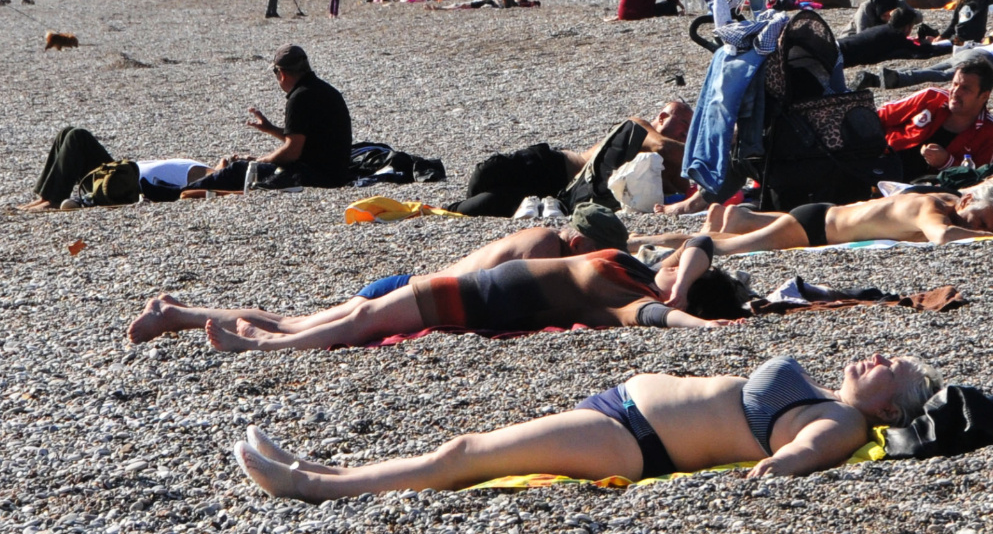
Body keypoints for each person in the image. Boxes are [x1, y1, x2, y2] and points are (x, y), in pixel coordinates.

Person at [235, 353, 942, 501]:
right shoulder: (829, 393)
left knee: (466, 453)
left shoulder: (843, 422)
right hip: (619, 410)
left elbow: (811, 450)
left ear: (887, 411)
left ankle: (311, 485)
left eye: (895, 368)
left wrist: (782, 469)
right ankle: (325, 473)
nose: (880, 355)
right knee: (469, 450)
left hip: (632, 443)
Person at [127, 203, 635, 343]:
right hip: (414, 297)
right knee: (290, 327)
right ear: (585, 244)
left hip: (409, 287)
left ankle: (179, 312)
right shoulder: (549, 247)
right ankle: (177, 315)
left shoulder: (542, 238)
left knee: (290, 320)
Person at [201, 235, 750, 353]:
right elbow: (699, 243)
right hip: (477, 288)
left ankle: (263, 345)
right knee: (363, 312)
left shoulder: (626, 301)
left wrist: (702, 325)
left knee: (361, 320)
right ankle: (270, 332)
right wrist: (681, 279)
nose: (676, 274)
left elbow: (658, 320)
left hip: (483, 302)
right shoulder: (640, 271)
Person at [447, 102, 692, 217]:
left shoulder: (671, 162)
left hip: (561, 193)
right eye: (682, 125)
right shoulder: (640, 128)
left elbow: (676, 194)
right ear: (661, 117)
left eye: (690, 131)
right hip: (553, 166)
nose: (685, 133)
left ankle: (445, 212)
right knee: (483, 177)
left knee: (485, 206)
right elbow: (664, 146)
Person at [639, 182, 993, 255]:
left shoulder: (947, 197)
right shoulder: (932, 210)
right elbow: (942, 237)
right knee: (721, 248)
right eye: (981, 221)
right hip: (814, 229)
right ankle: (641, 244)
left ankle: (740, 216)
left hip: (821, 216)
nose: (976, 229)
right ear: (967, 200)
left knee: (734, 232)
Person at [185, 45, 353, 191]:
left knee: (238, 169)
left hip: (317, 176)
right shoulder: (323, 90)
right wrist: (271, 129)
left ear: (282, 74)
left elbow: (292, 152)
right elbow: (306, 141)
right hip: (334, 172)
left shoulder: (299, 98)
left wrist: (261, 161)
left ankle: (176, 192)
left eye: (275, 72)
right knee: (244, 167)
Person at [18, 127, 216, 211]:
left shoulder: (208, 175)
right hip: (121, 174)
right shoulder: (197, 165)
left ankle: (52, 200)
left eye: (237, 160)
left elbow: (216, 183)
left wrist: (235, 166)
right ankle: (45, 197)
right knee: (66, 133)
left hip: (119, 185)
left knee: (78, 136)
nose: (233, 157)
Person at [877, 60, 993, 181]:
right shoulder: (932, 97)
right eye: (954, 84)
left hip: (926, 191)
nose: (955, 92)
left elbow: (980, 178)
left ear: (984, 96)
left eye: (965, 88)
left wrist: (946, 162)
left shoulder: (991, 131)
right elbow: (880, 116)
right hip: (881, 163)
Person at [880, 14, 993, 90]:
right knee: (944, 75)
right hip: (983, 57)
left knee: (937, 69)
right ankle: (899, 79)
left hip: (971, 48)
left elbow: (952, 25)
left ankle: (892, 75)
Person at [837, 7, 945, 70]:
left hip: (838, 44)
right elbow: (922, 51)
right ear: (907, 26)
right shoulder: (896, 36)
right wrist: (926, 42)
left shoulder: (882, 29)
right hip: (841, 55)